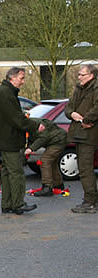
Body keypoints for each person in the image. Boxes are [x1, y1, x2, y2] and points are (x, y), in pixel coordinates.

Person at [0, 67, 39, 215]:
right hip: (9, 140)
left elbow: (13, 116)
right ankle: (18, 204)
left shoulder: (5, 91)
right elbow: (16, 119)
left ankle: (8, 204)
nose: (23, 81)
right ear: (12, 78)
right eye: (21, 78)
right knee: (16, 172)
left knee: (7, 172)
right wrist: (36, 125)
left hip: (5, 139)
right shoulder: (6, 93)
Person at [65, 64, 98, 213]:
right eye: (78, 74)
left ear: (91, 75)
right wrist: (72, 114)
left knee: (85, 169)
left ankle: (90, 202)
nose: (79, 77)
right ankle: (90, 200)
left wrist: (86, 120)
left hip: (89, 134)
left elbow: (96, 109)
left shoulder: (95, 89)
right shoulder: (79, 89)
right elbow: (68, 107)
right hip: (78, 132)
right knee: (83, 168)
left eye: (82, 75)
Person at [25, 118, 67, 196]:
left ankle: (47, 188)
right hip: (54, 141)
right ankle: (58, 185)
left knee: (44, 161)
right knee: (52, 163)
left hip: (58, 140)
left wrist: (31, 148)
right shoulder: (25, 125)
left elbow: (43, 137)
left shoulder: (34, 123)